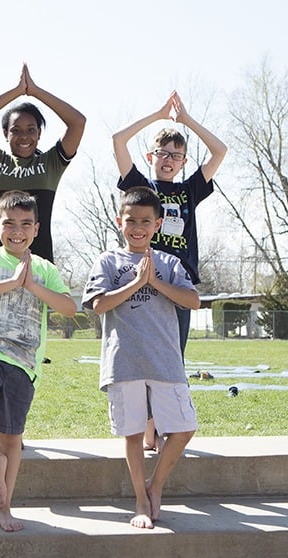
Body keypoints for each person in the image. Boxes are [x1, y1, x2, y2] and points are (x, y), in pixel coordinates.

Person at [0, 63, 85, 361]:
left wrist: (34, 92)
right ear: (6, 134)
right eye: (15, 130)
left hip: (35, 255)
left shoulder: (51, 164)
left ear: (40, 133)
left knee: (23, 333)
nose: (24, 136)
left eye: (31, 130)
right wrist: (15, 92)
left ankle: (10, 387)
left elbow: (78, 122)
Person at [112, 91, 227, 450]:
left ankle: (164, 427)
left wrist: (186, 120)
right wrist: (158, 115)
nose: (168, 159)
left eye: (176, 155)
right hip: (143, 284)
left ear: (183, 161)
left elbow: (220, 151)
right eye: (162, 153)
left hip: (177, 285)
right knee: (146, 357)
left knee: (172, 359)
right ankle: (149, 430)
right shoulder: (141, 190)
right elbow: (117, 141)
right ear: (151, 156)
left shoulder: (189, 189)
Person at [81, 186, 201, 529]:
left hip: (165, 361)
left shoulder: (169, 263)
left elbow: (192, 301)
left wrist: (155, 282)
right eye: (131, 220)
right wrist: (135, 283)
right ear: (120, 221)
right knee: (132, 434)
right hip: (124, 362)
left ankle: (155, 486)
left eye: (146, 221)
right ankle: (139, 500)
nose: (138, 227)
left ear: (158, 224)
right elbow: (99, 305)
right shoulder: (108, 261)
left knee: (184, 429)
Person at [0, 191, 77, 532]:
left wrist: (32, 286)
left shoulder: (44, 268)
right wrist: (11, 282)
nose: (17, 230)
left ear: (36, 230)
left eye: (25, 224)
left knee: (11, 437)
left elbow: (69, 308)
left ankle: (4, 506)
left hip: (24, 363)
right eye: (9, 223)